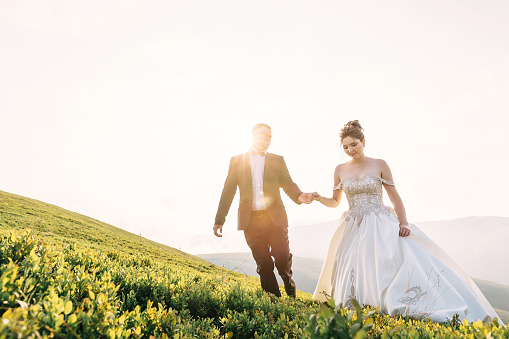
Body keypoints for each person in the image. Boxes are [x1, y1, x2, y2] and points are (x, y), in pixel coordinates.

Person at [311, 120, 502, 324]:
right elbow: (335, 202)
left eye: (354, 144)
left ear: (364, 142)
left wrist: (404, 223)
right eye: (346, 147)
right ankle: (359, 305)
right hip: (353, 226)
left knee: (385, 264)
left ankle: (388, 301)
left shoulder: (379, 164)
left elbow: (395, 198)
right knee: (353, 266)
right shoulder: (339, 169)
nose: (350, 150)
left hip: (379, 222)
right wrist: (318, 198)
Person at [214, 123, 314, 298]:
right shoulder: (237, 161)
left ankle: (289, 286)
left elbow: (288, 183)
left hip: (275, 219)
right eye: (264, 135)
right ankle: (273, 302)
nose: (268, 139)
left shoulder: (278, 160)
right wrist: (219, 220)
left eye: (270, 136)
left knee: (282, 259)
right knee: (264, 264)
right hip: (250, 221)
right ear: (253, 136)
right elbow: (227, 191)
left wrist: (300, 196)